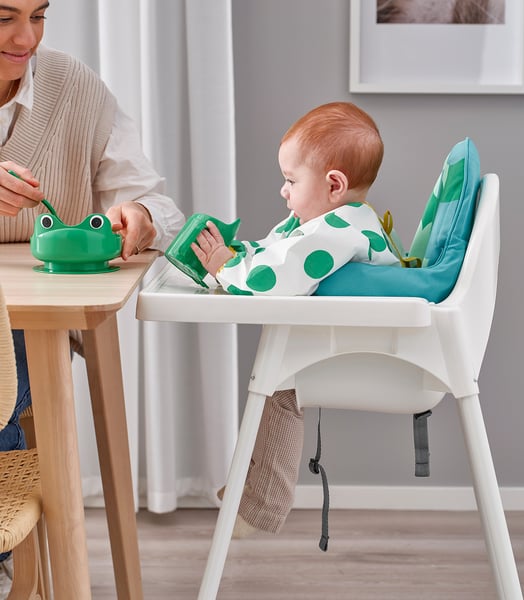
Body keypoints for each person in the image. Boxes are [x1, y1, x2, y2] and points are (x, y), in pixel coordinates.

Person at [0, 0, 185, 586]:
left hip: (22, 324)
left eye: (39, 14)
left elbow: (160, 206)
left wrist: (139, 218)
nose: (26, 37)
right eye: (4, 17)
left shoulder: (71, 87)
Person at [192, 101, 399, 537]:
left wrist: (225, 269)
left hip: (366, 354)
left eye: (290, 181)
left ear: (334, 185)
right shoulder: (335, 220)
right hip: (345, 342)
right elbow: (277, 255)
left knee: (280, 386)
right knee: (274, 376)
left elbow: (276, 283)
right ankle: (252, 494)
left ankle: (260, 508)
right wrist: (236, 256)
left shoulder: (338, 231)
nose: (283, 192)